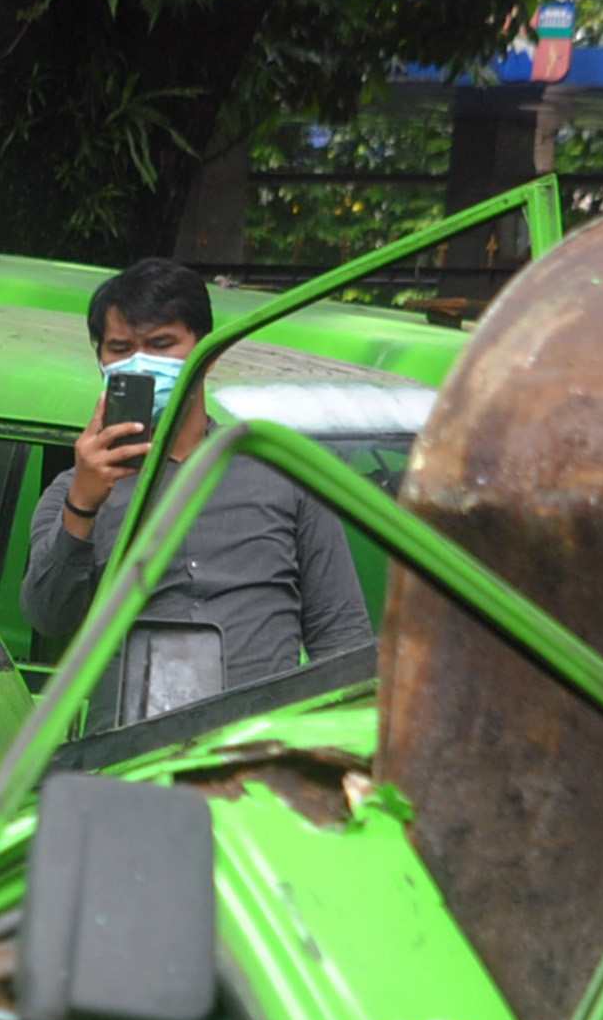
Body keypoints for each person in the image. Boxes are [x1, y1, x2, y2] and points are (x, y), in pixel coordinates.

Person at [24, 258, 370, 723]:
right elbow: (47, 618)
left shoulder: (283, 473)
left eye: (162, 345)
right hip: (127, 755)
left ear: (208, 351)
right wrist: (83, 506)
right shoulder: (74, 490)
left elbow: (342, 638)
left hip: (257, 750)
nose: (141, 363)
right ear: (101, 361)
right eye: (121, 349)